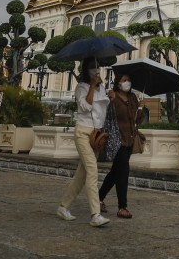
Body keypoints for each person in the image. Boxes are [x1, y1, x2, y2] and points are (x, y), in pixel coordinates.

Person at [56, 57, 111, 227]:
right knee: (92, 170)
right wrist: (93, 87)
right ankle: (95, 214)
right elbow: (85, 107)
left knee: (82, 175)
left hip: (95, 134)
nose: (96, 69)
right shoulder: (81, 87)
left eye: (98, 66)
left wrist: (110, 95)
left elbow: (102, 110)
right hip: (82, 132)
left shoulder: (102, 88)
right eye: (93, 67)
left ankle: (63, 206)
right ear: (86, 70)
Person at [98, 73, 139, 219]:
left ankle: (98, 198)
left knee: (116, 172)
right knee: (123, 172)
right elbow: (107, 116)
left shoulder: (133, 98)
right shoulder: (113, 96)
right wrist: (112, 99)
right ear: (117, 82)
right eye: (123, 80)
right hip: (117, 139)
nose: (126, 82)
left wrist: (140, 109)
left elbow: (134, 117)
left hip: (130, 139)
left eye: (128, 79)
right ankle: (122, 207)